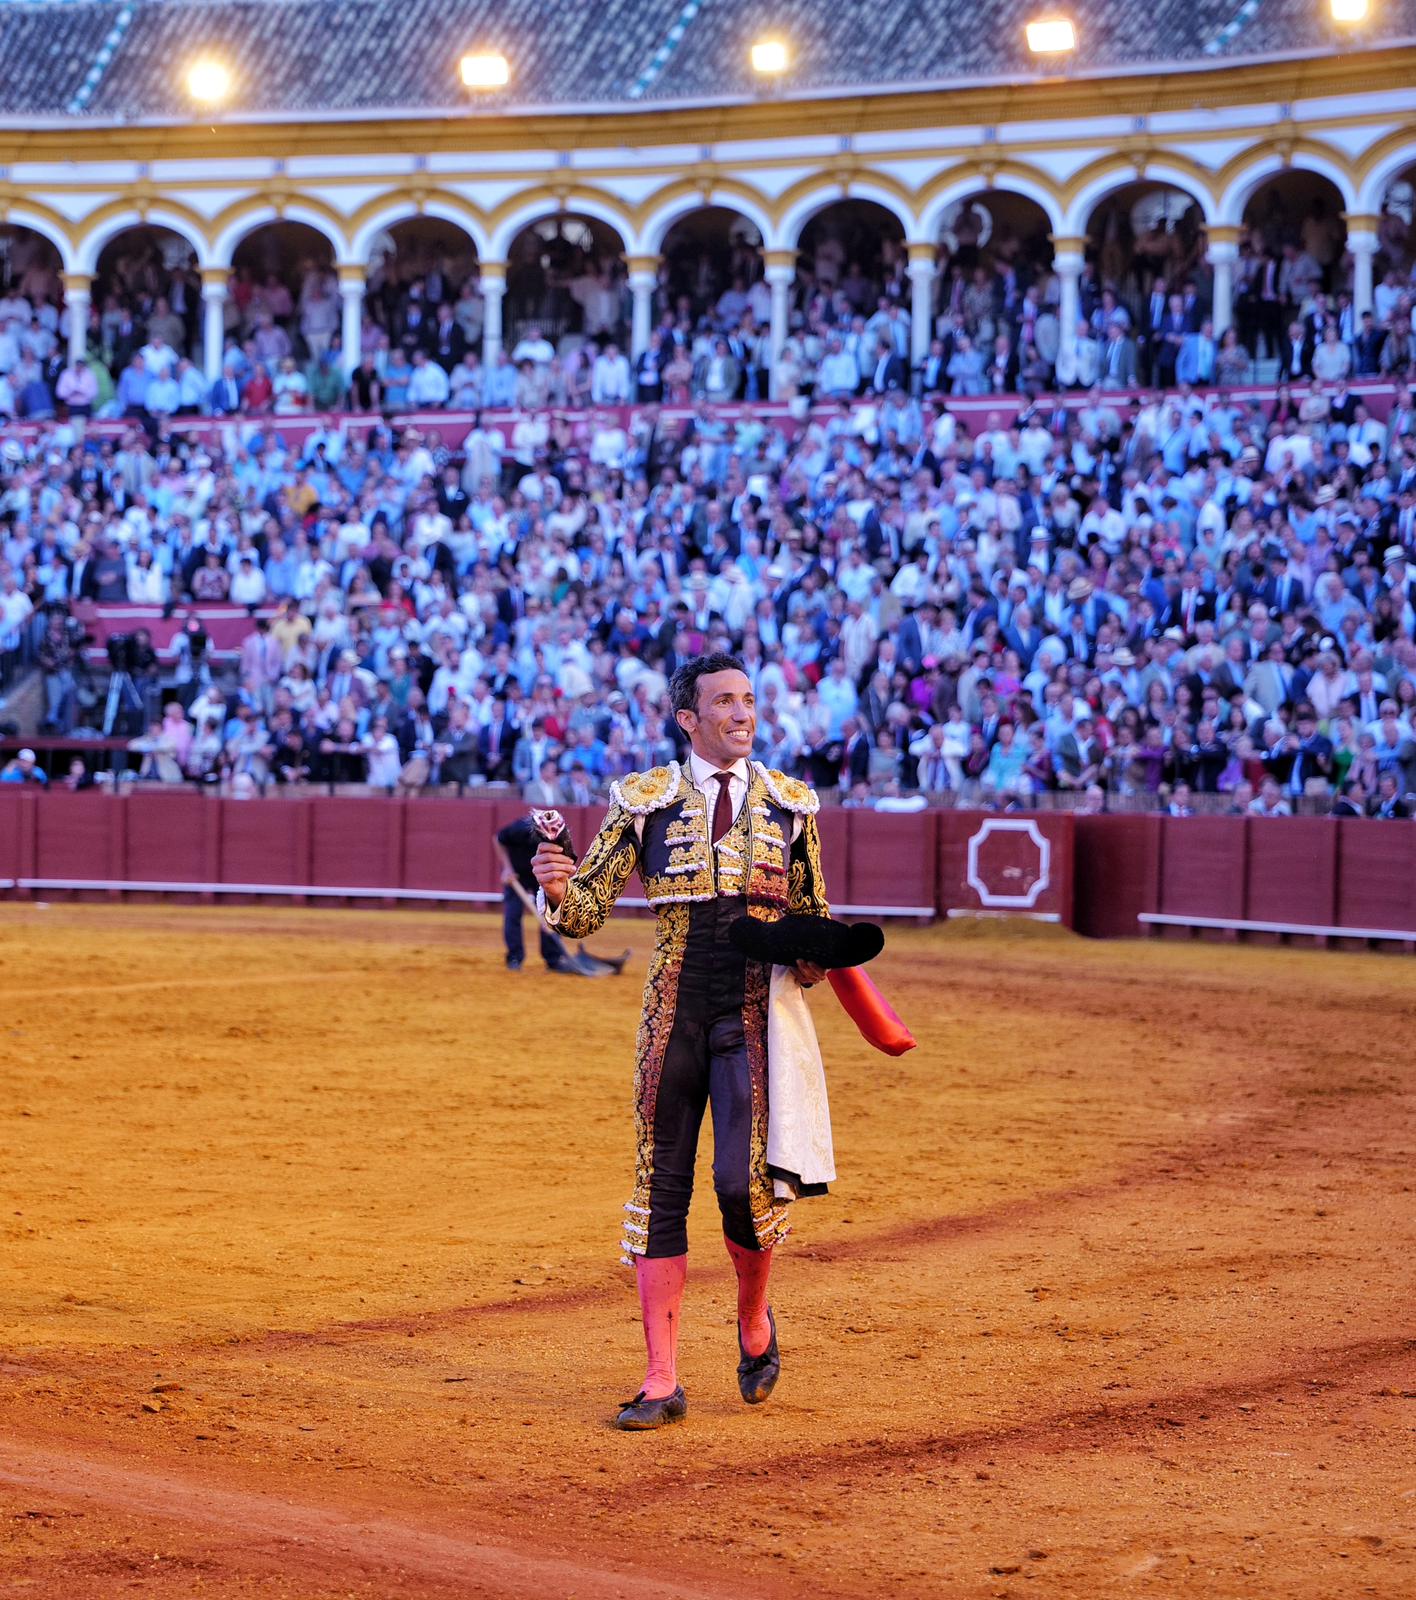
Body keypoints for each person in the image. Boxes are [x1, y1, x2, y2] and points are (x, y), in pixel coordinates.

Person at [532, 652, 832, 1431]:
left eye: (749, 700)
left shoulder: (790, 806)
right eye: (724, 701)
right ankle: (661, 1380)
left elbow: (813, 917)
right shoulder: (644, 801)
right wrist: (556, 888)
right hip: (670, 1020)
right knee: (662, 1187)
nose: (743, 713)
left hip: (750, 1023)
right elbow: (586, 911)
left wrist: (815, 957)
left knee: (739, 1184)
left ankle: (754, 1317)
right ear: (688, 718)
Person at [495, 816, 565, 973]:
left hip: (541, 873)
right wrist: (507, 868)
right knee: (513, 914)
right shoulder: (520, 829)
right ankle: (514, 957)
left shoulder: (558, 836)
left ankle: (554, 959)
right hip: (516, 874)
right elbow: (498, 839)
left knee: (551, 913)